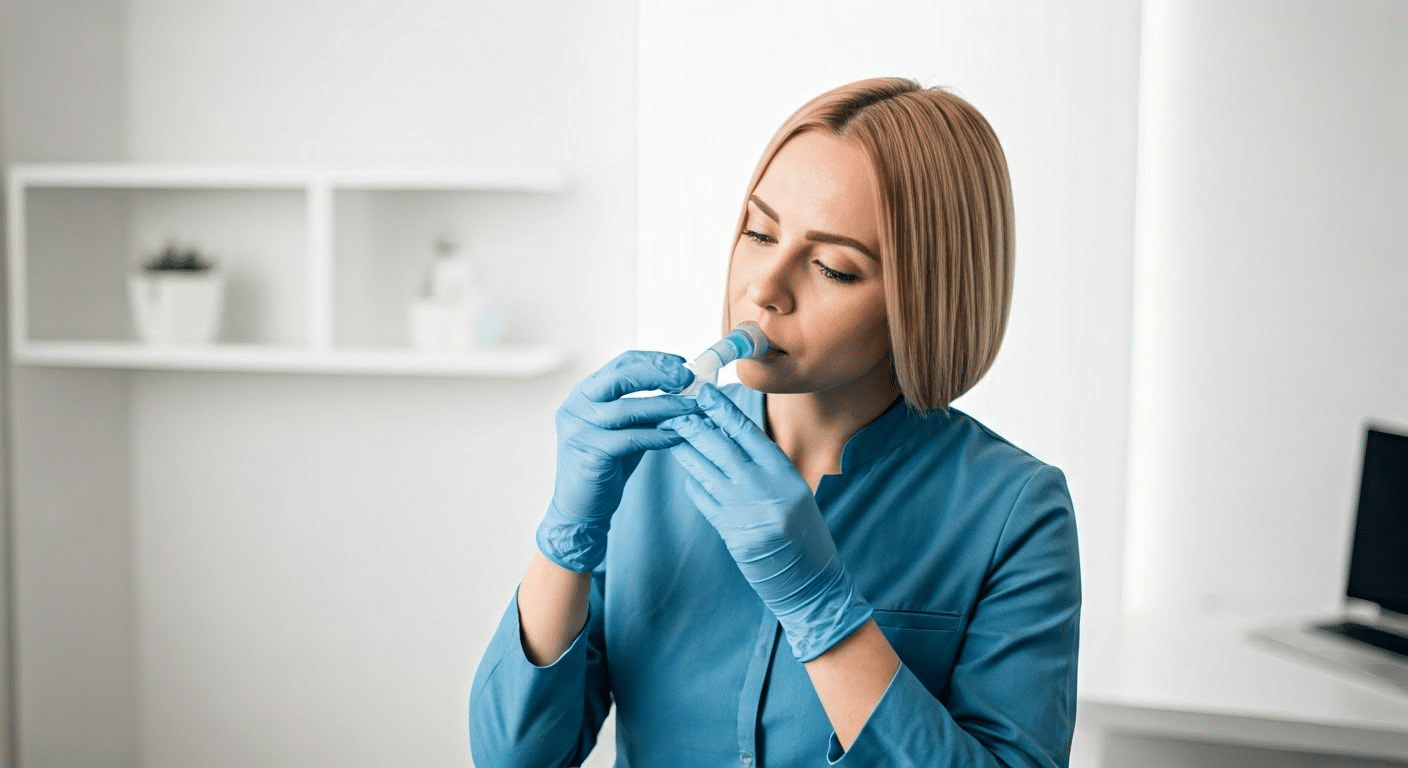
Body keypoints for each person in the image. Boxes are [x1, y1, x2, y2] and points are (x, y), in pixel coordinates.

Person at [469, 77, 1081, 767]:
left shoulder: (1015, 512)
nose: (763, 287)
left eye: (832, 267)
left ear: (927, 297)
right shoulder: (651, 459)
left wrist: (823, 608)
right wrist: (565, 535)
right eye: (759, 232)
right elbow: (515, 758)